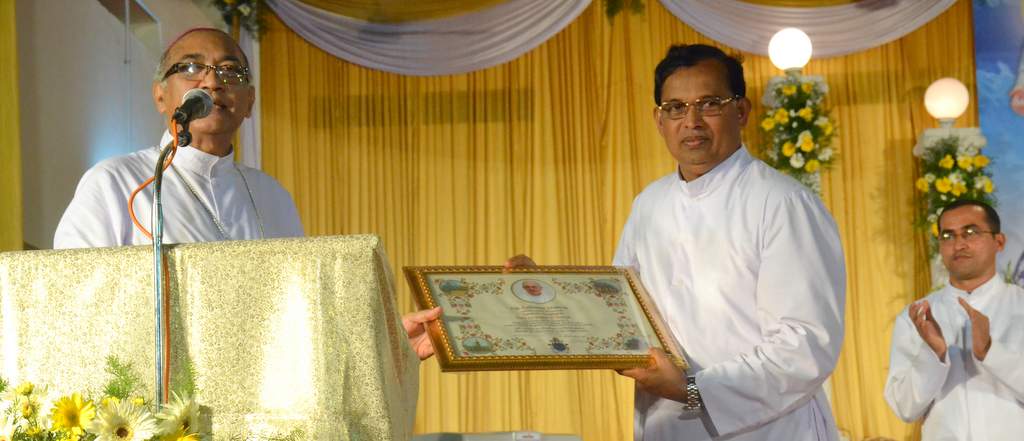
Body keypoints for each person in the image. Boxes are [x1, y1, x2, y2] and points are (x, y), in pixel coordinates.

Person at [507, 44, 846, 440]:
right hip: (666, 424)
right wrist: (547, 294)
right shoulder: (649, 204)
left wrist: (692, 390)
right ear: (659, 119)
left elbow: (804, 348)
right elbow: (620, 309)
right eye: (676, 108)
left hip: (768, 429)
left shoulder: (782, 203)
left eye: (710, 104)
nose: (692, 121)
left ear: (741, 111)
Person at [53, 27, 440, 359]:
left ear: (249, 102)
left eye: (230, 71)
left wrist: (391, 349)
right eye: (191, 68)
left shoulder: (272, 196)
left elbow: (302, 320)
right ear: (160, 96)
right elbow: (72, 307)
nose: (212, 83)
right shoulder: (117, 182)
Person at [884, 200, 1024, 440]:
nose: (958, 244)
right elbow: (904, 408)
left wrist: (990, 352)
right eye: (948, 236)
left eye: (971, 232)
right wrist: (934, 354)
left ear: (999, 242)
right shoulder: (917, 316)